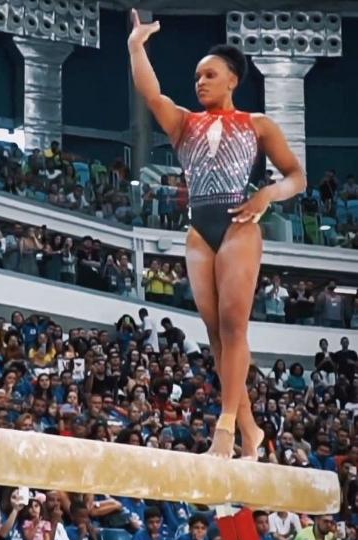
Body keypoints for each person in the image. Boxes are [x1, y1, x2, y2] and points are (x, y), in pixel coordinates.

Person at [128, 12, 305, 458]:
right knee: (214, 333)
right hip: (199, 229)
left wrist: (267, 194)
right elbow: (151, 94)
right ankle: (251, 429)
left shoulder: (257, 124)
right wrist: (136, 46)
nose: (200, 82)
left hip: (239, 224)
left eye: (210, 75)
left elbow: (297, 177)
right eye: (196, 76)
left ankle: (225, 428)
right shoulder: (184, 122)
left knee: (232, 324)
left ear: (232, 81)